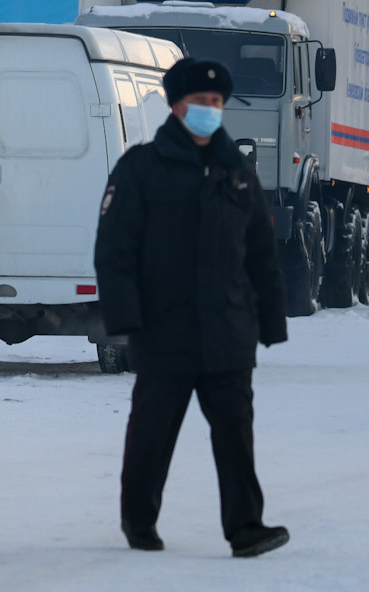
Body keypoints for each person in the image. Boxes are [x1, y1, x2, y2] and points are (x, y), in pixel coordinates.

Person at [93, 55, 290, 558]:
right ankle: (139, 522)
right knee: (152, 437)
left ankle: (246, 527)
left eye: (217, 102)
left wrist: (270, 319)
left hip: (228, 329)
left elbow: (261, 254)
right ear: (177, 106)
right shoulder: (141, 168)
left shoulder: (238, 171)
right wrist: (126, 321)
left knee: (235, 438)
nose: (210, 110)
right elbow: (114, 250)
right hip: (165, 331)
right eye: (201, 102)